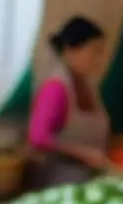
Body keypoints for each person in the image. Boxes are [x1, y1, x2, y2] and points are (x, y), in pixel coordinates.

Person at [26, 16, 111, 189]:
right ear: (70, 50)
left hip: (91, 180)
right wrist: (83, 153)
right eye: (94, 51)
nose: (98, 59)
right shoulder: (55, 88)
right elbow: (38, 137)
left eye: (101, 52)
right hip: (60, 183)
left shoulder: (89, 86)